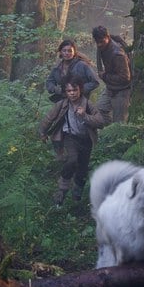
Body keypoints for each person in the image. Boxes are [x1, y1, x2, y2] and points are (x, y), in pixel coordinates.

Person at [39, 75, 105, 206]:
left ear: (80, 89)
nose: (72, 93)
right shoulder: (63, 104)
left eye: (74, 90)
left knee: (82, 168)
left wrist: (84, 115)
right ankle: (62, 190)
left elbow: (100, 122)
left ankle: (77, 197)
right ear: (65, 92)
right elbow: (49, 118)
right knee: (72, 160)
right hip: (70, 137)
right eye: (69, 91)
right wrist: (42, 132)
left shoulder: (87, 104)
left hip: (86, 140)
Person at [92, 25, 131, 124]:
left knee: (119, 122)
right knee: (99, 110)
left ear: (107, 37)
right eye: (97, 42)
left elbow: (125, 77)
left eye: (102, 41)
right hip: (111, 87)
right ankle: (109, 131)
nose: (99, 44)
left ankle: (118, 138)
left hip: (123, 90)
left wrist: (104, 76)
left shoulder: (118, 54)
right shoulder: (102, 47)